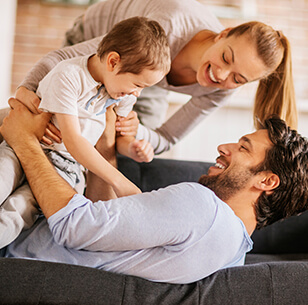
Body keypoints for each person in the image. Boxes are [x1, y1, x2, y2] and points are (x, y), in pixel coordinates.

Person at [1, 99, 307, 284]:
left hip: (13, 244)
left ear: (267, 181)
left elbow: (76, 226)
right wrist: (106, 149)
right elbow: (104, 230)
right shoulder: (231, 253)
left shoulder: (202, 207)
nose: (223, 148)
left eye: (243, 148)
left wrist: (24, 139)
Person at [16, 0, 297, 156]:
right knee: (53, 124)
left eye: (238, 79)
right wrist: (26, 90)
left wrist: (136, 132)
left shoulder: (222, 89)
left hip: (150, 79)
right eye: (225, 57)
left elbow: (165, 137)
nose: (221, 76)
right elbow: (58, 60)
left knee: (124, 147)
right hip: (101, 45)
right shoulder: (169, 24)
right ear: (223, 33)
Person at [0, 17, 170, 248]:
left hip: (65, 169)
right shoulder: (69, 76)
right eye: (138, 84)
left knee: (19, 211)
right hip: (26, 146)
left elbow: (118, 140)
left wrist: (133, 148)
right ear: (113, 61)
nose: (137, 94)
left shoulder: (121, 93)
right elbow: (73, 140)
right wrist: (119, 181)